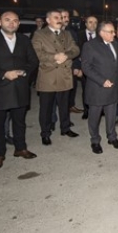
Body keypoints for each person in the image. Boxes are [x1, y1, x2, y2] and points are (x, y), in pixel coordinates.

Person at [0, 11, 39, 170]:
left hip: (19, 86)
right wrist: (3, 74)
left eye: (15, 20)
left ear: (19, 24)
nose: (12, 23)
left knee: (19, 121)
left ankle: (20, 148)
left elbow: (33, 60)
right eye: (7, 20)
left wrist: (24, 72)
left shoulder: (24, 40)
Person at [32, 9, 80, 146]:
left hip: (64, 75)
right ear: (48, 20)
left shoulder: (67, 33)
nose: (59, 19)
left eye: (60, 17)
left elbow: (75, 49)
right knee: (46, 108)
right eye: (56, 17)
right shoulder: (39, 34)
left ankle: (65, 128)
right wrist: (54, 57)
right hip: (48, 75)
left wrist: (67, 55)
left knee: (64, 106)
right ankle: (45, 133)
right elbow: (37, 54)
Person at [81, 21, 118, 154]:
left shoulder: (115, 45)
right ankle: (95, 140)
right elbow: (86, 67)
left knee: (111, 115)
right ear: (102, 33)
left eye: (114, 31)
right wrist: (102, 81)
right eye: (111, 32)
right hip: (97, 88)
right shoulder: (90, 46)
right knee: (95, 116)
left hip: (113, 87)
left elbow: (117, 65)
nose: (114, 34)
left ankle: (112, 137)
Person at [76, 15, 99, 120]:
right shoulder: (78, 35)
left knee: (98, 89)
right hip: (84, 68)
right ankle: (86, 110)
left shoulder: (100, 36)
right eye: (90, 22)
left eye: (95, 22)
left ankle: (99, 110)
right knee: (86, 90)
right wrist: (78, 67)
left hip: (98, 69)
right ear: (86, 24)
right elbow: (75, 52)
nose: (93, 24)